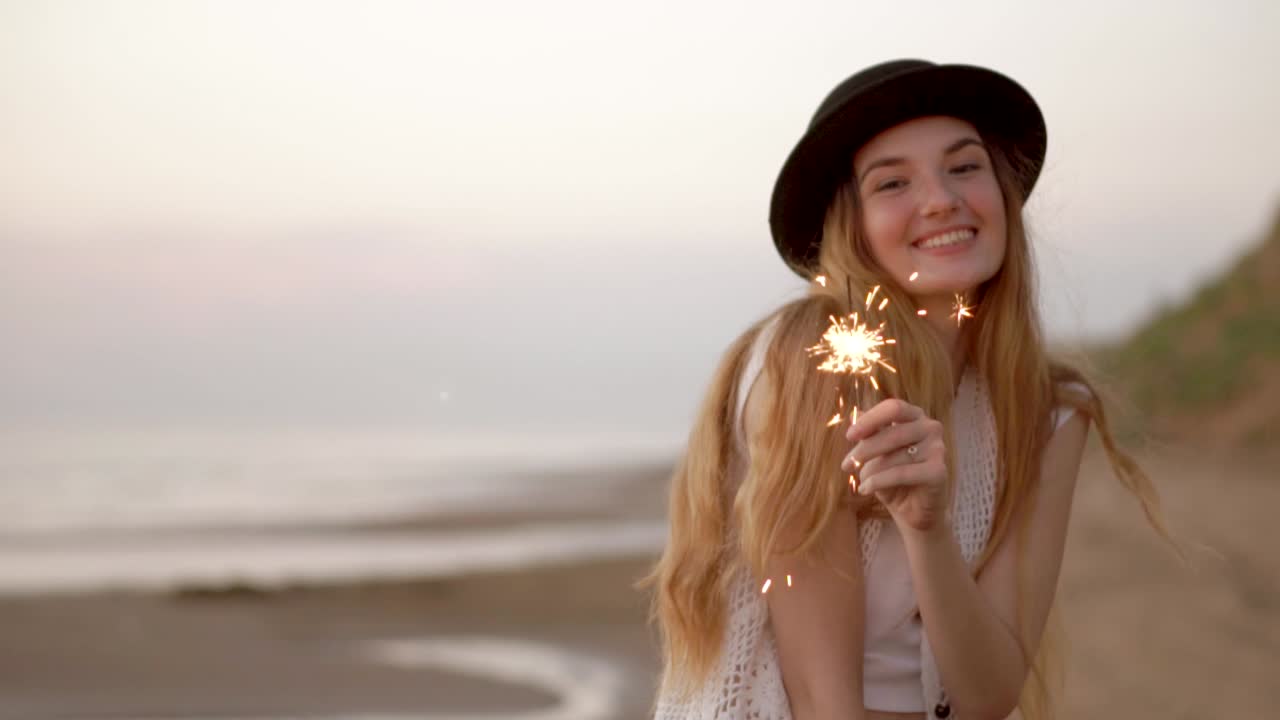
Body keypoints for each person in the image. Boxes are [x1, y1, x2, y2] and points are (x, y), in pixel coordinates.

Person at [639, 60, 1174, 720]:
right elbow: (821, 700)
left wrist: (928, 529)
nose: (941, 198)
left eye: (965, 166)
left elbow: (989, 693)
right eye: (892, 182)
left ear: (1002, 191)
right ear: (852, 225)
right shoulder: (816, 360)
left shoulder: (1048, 413)